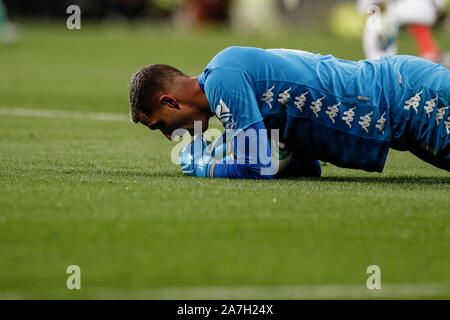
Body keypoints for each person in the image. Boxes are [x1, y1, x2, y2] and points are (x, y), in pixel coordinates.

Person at [128, 46, 450, 179]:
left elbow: (255, 166)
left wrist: (203, 165)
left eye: (161, 127)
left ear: (170, 102)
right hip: (399, 106)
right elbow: (309, 169)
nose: (171, 136)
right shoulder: (229, 84)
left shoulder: (222, 79)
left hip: (407, 95)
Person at [358, 0, 448, 64]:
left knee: (379, 23)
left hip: (414, 7)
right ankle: (433, 56)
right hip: (425, 7)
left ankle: (379, 63)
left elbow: (369, 6)